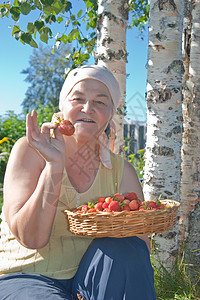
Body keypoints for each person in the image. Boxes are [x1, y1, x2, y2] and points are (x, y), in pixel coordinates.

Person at [0, 65, 156, 300]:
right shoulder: (30, 151)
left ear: (111, 113)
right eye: (78, 99)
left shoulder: (122, 172)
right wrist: (53, 166)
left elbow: (141, 246)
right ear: (62, 107)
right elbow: (31, 238)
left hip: (94, 278)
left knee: (130, 248)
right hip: (28, 276)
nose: (88, 108)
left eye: (100, 102)